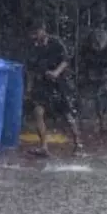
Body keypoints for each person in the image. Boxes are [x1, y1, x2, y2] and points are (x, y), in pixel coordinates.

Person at [25, 23, 82, 157]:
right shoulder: (33, 48)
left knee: (67, 115)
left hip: (59, 83)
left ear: (43, 30)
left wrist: (56, 72)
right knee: (38, 112)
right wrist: (29, 88)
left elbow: (65, 60)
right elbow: (30, 70)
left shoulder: (55, 42)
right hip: (42, 84)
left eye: (36, 33)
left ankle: (78, 143)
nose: (34, 36)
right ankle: (44, 147)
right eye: (32, 34)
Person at [79, 27, 107, 140]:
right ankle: (97, 123)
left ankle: (103, 123)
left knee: (105, 99)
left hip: (105, 75)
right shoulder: (88, 48)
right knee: (95, 99)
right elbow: (86, 61)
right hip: (93, 75)